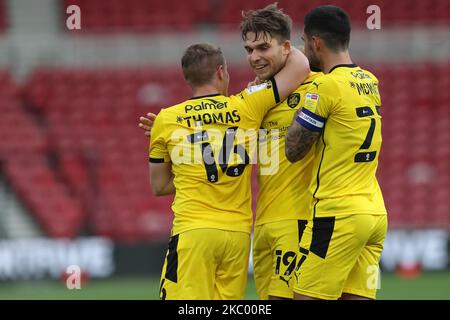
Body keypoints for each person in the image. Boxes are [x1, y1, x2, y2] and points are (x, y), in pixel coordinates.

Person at [140, 3, 319, 300]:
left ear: (186, 77)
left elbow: (159, 186)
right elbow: (300, 65)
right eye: (250, 50)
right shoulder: (246, 104)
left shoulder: (165, 119)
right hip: (238, 236)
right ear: (221, 72)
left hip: (193, 230)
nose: (254, 57)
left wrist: (193, 172)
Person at [285, 5, 387, 300]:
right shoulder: (370, 81)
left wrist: (300, 104)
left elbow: (293, 150)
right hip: (374, 213)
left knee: (305, 295)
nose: (304, 49)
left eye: (304, 42)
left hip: (337, 214)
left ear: (315, 42)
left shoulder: (326, 87)